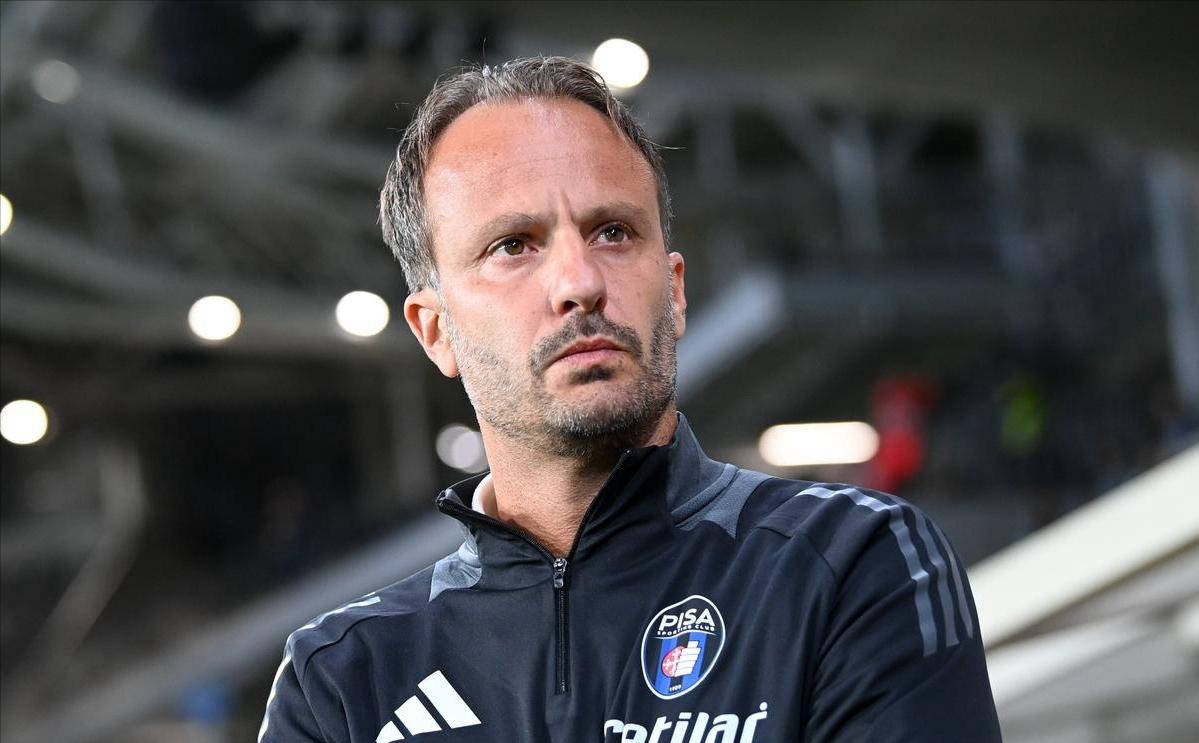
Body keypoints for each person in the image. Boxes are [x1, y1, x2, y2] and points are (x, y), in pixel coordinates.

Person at [259, 56, 1002, 743]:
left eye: (613, 232)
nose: (580, 282)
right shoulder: (343, 683)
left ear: (673, 292)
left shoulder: (847, 563)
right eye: (514, 245)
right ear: (435, 330)